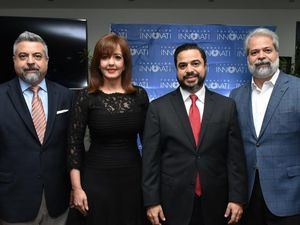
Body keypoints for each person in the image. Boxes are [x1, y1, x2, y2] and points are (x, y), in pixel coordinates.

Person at [142, 43, 248, 225]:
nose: (189, 70)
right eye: (183, 66)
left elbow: (235, 158)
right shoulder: (158, 108)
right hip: (172, 204)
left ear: (205, 66)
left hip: (217, 203)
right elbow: (150, 160)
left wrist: (237, 198)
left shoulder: (226, 106)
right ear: (176, 69)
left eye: (195, 63)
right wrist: (152, 202)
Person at [66, 33, 149, 225]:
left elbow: (150, 143)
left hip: (134, 179)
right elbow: (74, 145)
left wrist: (151, 186)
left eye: (117, 57)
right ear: (98, 63)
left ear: (125, 63)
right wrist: (76, 188)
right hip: (96, 180)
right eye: (105, 57)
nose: (111, 63)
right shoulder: (85, 96)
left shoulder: (140, 95)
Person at [0, 31, 72, 225]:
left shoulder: (65, 96)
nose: (31, 61)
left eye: (37, 56)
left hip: (58, 201)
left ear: (47, 61)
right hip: (12, 202)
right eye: (23, 56)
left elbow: (72, 145)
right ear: (14, 60)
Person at [230, 27, 300, 225]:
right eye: (254, 52)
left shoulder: (298, 89)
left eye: (267, 50)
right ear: (248, 58)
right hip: (248, 195)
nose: (261, 56)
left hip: (291, 195)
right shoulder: (236, 95)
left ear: (277, 53)